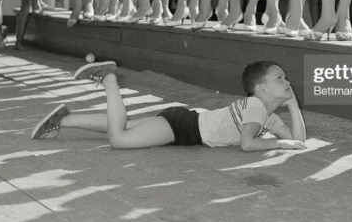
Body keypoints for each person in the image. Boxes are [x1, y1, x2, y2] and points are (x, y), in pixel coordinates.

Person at [31, 60, 306, 153]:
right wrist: (279, 145)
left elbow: (299, 141)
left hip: (186, 121)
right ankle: (110, 79)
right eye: (280, 78)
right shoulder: (257, 107)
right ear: (261, 89)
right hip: (184, 127)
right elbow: (248, 144)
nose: (287, 81)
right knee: (119, 139)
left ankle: (64, 120)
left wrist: (292, 105)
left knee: (123, 126)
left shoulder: (265, 115)